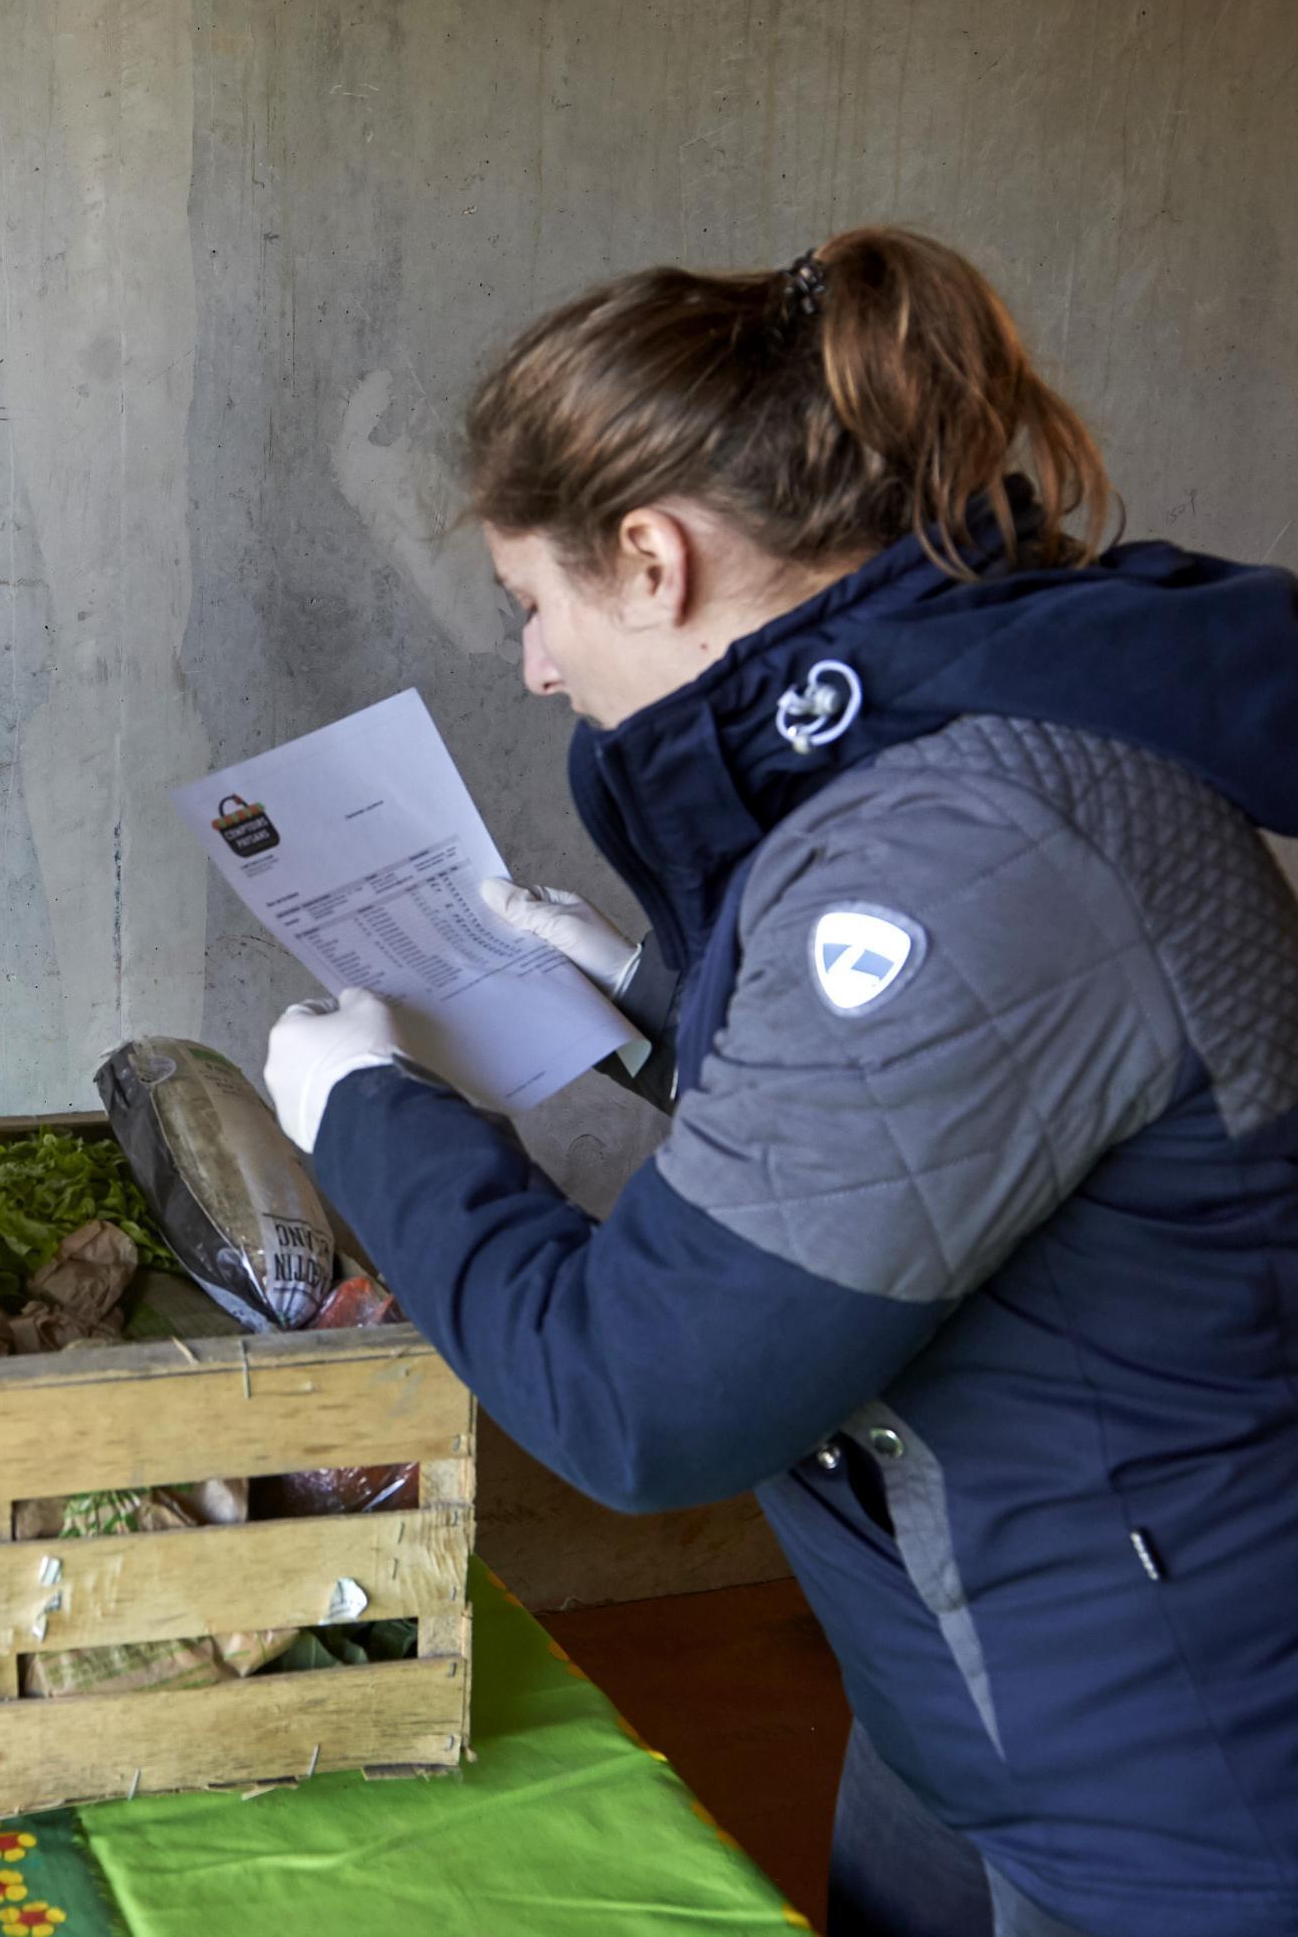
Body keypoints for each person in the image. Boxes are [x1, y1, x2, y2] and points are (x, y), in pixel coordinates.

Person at [263, 228, 1298, 1937]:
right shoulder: (945, 737)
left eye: (535, 605)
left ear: (653, 560)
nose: (533, 667)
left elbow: (645, 1400)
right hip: (992, 1687)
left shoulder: (958, 849)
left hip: (1166, 1788)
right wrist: (651, 1002)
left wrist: (368, 1118)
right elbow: (945, 1143)